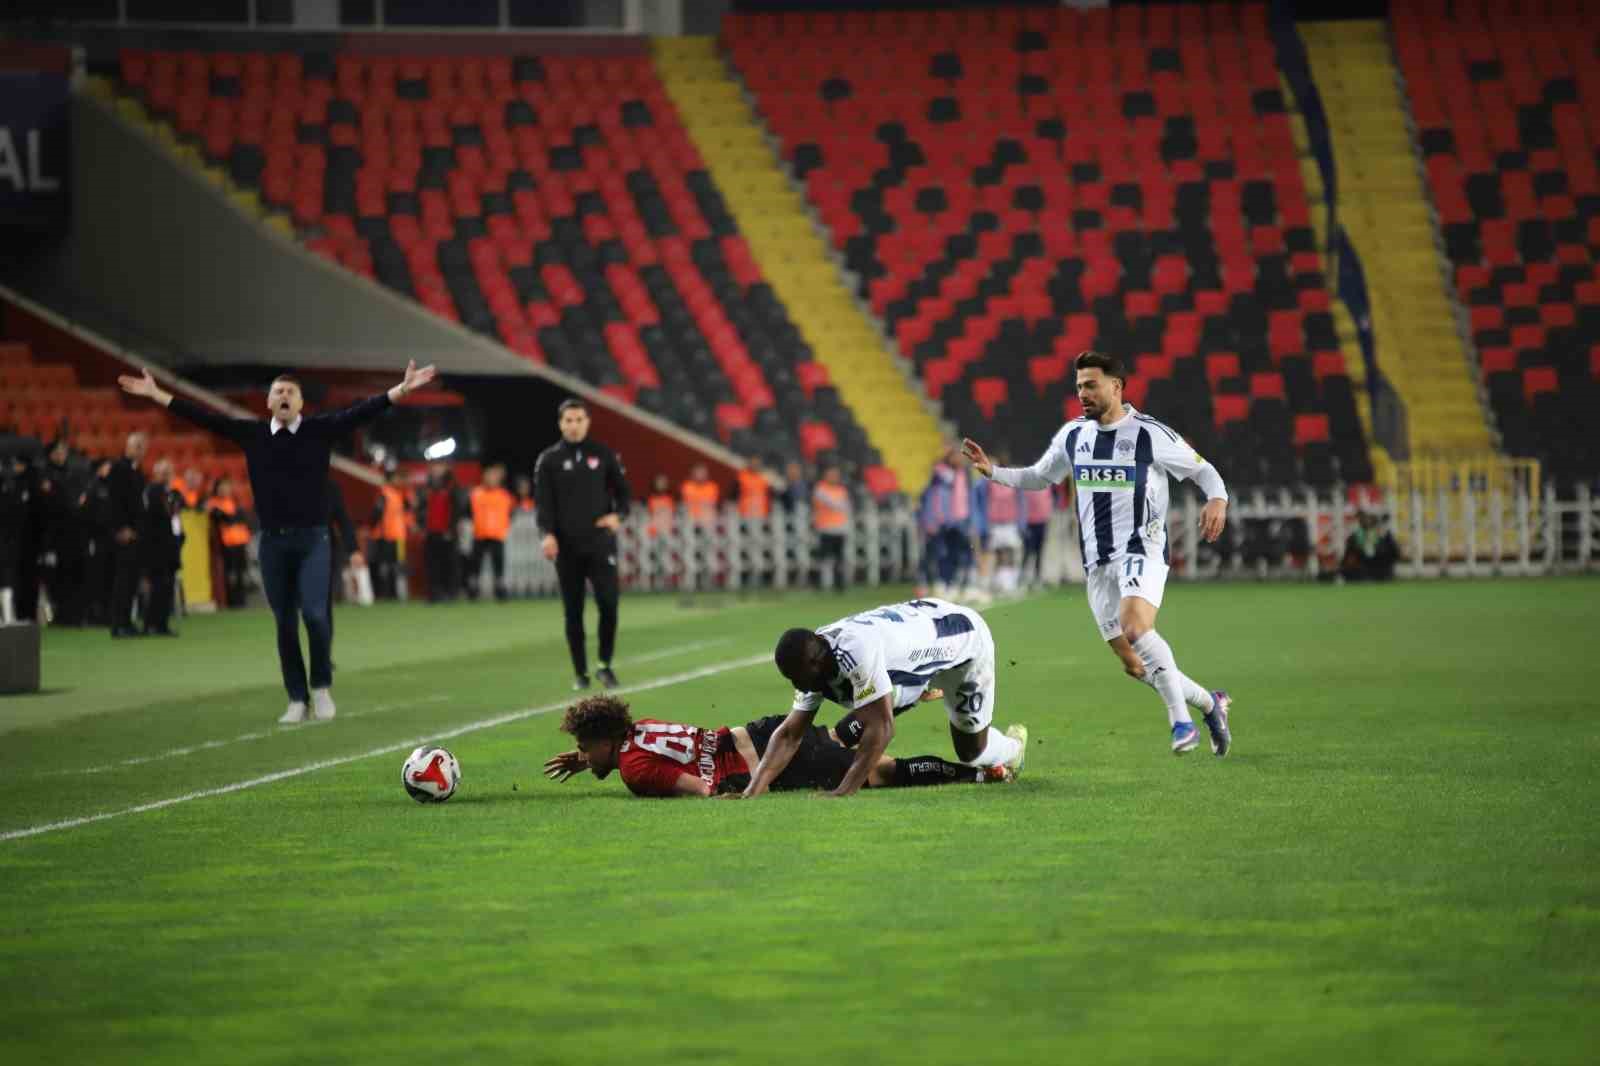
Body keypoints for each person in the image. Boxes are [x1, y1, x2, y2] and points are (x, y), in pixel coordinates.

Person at [118, 360, 437, 722]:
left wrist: (403, 389)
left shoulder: (319, 431)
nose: (284, 396)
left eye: (290, 392)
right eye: (278, 391)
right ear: (268, 402)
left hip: (314, 540)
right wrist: (155, 393)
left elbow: (361, 412)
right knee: (284, 622)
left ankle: (320, 687)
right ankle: (296, 698)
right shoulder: (252, 434)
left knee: (316, 616)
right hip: (272, 543)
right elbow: (203, 417)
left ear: (300, 403)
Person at [962, 349, 1233, 757]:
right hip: (1098, 562)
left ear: (1116, 387)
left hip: (1143, 547)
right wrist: (993, 472)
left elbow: (1202, 470)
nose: (1082, 394)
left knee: (1137, 628)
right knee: (1134, 662)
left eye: (1090, 385)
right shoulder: (1074, 435)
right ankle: (1211, 705)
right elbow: (1040, 476)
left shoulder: (1148, 433)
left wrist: (1218, 498)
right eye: (1078, 387)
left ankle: (1181, 724)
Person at [738, 596, 1029, 799]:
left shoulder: (854, 654)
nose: (796, 684)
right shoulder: (814, 655)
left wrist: (844, 790)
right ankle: (914, 690)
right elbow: (790, 733)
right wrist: (751, 791)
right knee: (857, 721)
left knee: (971, 752)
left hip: (963, 645)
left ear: (815, 664)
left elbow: (884, 730)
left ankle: (1013, 748)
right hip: (917, 642)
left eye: (797, 677)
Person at [544, 693, 1011, 798]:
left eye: (586, 745)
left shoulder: (634, 769)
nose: (583, 753)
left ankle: (980, 772)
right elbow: (638, 752)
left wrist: (730, 797)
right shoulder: (638, 728)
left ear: (608, 740)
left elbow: (700, 787)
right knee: (834, 736)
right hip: (762, 732)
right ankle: (905, 697)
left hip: (772, 764)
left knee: (880, 770)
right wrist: (590, 761)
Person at [534, 398, 630, 692]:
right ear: (560, 424)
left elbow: (624, 493)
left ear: (587, 422)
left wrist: (618, 516)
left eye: (578, 420)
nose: (573, 425)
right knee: (573, 611)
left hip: (600, 544)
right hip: (567, 547)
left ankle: (604, 665)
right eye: (568, 421)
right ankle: (580, 672)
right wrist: (547, 534)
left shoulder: (603, 455)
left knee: (609, 604)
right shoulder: (548, 460)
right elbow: (543, 504)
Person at [106, 431, 149, 638]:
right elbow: (114, 502)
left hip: (137, 535)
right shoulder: (118, 469)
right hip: (124, 533)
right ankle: (118, 624)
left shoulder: (138, 472)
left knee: (131, 581)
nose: (140, 450)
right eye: (137, 446)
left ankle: (127, 622)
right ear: (128, 447)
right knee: (123, 581)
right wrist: (120, 528)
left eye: (142, 446)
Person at [139, 458, 183, 636]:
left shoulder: (169, 492)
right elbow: (163, 515)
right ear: (155, 473)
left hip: (168, 546)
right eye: (163, 472)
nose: (166, 475)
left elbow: (175, 514)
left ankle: (161, 624)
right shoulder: (153, 491)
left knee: (166, 587)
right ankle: (152, 624)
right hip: (156, 547)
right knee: (158, 587)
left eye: (168, 472)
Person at [206, 475, 252, 608]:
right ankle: (231, 600)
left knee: (240, 572)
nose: (225, 489)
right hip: (226, 542)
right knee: (230, 572)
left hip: (240, 540)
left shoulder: (233, 502)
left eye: (227, 486)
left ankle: (241, 599)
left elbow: (237, 519)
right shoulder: (213, 503)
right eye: (222, 486)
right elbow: (222, 518)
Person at [469, 462, 513, 600]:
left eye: (494, 477)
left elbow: (512, 513)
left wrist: (504, 527)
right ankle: (473, 590)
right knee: (476, 564)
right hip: (480, 534)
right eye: (489, 476)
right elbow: (467, 511)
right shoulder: (476, 493)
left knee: (498, 565)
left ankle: (499, 590)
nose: (491, 479)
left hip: (497, 535)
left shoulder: (504, 495)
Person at [420, 461, 462, 603]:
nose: (436, 470)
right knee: (432, 565)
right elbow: (421, 510)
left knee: (449, 564)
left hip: (447, 533)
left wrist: (451, 529)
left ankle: (450, 593)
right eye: (435, 467)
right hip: (431, 532)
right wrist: (422, 527)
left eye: (440, 467)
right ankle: (434, 593)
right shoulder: (427, 489)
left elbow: (456, 511)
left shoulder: (452, 488)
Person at [368, 465, 409, 600]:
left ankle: (393, 594)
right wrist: (376, 530)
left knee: (393, 566)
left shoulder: (397, 495)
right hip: (389, 537)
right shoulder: (386, 495)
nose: (400, 481)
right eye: (397, 478)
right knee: (388, 567)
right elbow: (375, 515)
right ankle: (387, 594)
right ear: (391, 480)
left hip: (396, 536)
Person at [811, 463, 850, 590]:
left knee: (839, 559)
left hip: (840, 528)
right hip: (825, 528)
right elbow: (835, 504)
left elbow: (846, 507)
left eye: (836, 475)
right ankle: (820, 584)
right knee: (823, 558)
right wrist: (840, 505)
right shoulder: (820, 489)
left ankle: (839, 585)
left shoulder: (841, 490)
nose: (834, 477)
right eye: (831, 474)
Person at [1339, 510, 1399, 581]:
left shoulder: (1384, 533)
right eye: (1364, 519)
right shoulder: (1356, 535)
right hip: (1363, 567)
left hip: (1382, 565)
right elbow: (1349, 552)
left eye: (1369, 518)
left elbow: (1393, 550)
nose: (1367, 521)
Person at [1021, 483, 1053, 587]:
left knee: (1039, 552)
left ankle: (1037, 577)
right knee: (1027, 551)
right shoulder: (1027, 485)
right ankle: (1023, 577)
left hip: (1042, 522)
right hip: (1029, 523)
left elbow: (1049, 501)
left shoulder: (1046, 485)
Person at [645, 473, 675, 537]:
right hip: (654, 528)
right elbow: (649, 515)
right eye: (659, 482)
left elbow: (671, 515)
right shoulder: (650, 499)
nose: (661, 485)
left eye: (663, 483)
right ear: (655, 483)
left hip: (667, 528)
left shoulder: (670, 499)